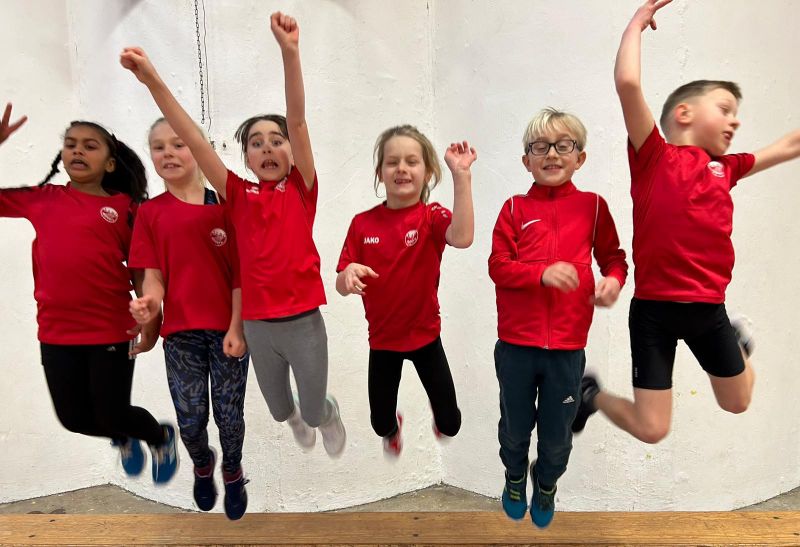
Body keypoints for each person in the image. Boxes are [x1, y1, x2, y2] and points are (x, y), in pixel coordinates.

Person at [573, 0, 800, 445]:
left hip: (708, 309)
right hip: (653, 312)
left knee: (737, 402)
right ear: (684, 113)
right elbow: (627, 83)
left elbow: (788, 146)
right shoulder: (653, 156)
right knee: (652, 429)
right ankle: (591, 395)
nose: (735, 120)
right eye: (725, 108)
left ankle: (736, 344)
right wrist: (637, 23)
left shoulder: (726, 168)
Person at [120, 12, 346, 458]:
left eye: (276, 140)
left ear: (291, 150)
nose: (268, 147)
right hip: (258, 325)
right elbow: (193, 138)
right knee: (280, 411)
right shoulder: (237, 195)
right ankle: (294, 415)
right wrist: (152, 81)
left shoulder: (301, 189)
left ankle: (326, 413)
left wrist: (290, 53)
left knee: (314, 411)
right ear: (246, 157)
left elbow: (298, 121)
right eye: (256, 142)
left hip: (303, 320)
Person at [0, 103, 178, 484]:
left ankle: (159, 437)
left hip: (110, 329)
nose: (78, 150)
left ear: (110, 163)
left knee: (113, 412)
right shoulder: (43, 198)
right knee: (74, 419)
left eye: (90, 145)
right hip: (56, 331)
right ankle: (122, 436)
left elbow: (142, 270)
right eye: (71, 144)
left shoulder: (125, 209)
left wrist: (152, 321)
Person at [489, 108, 627, 527]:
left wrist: (613, 282)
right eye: (540, 147)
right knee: (515, 429)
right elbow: (498, 266)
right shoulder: (514, 208)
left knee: (556, 437)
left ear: (579, 157)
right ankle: (515, 476)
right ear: (526, 160)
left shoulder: (594, 207)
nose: (551, 154)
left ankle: (545, 482)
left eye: (563, 145)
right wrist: (541, 273)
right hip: (516, 346)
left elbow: (615, 259)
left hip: (567, 349)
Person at [128, 118, 250, 519]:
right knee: (190, 421)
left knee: (229, 418)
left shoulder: (228, 206)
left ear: (198, 149)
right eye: (159, 147)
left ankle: (232, 471)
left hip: (230, 330)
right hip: (181, 335)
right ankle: (203, 464)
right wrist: (150, 303)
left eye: (178, 144)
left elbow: (243, 275)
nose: (168, 153)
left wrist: (237, 326)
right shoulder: (150, 213)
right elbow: (153, 276)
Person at [336, 125, 476, 457]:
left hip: (426, 337)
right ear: (380, 173)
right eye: (392, 162)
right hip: (383, 340)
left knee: (451, 424)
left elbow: (463, 237)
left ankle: (442, 419)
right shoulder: (362, 224)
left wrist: (462, 177)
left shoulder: (431, 217)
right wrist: (347, 275)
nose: (401, 168)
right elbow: (341, 283)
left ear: (427, 173)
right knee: (380, 424)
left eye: (412, 161)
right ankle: (392, 427)